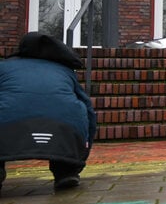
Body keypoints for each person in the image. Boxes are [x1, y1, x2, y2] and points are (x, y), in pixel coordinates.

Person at [0, 32, 97, 193]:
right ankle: (66, 171)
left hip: (7, 126)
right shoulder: (64, 71)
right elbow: (88, 109)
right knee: (71, 115)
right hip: (65, 126)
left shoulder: (4, 66)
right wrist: (82, 151)